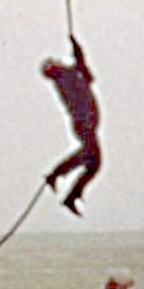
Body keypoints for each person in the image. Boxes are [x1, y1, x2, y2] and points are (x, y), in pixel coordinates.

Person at [42, 32, 101, 214]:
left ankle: (69, 192)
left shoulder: (69, 75)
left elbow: (86, 72)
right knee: (93, 159)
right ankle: (58, 176)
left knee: (92, 161)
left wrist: (76, 47)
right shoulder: (65, 78)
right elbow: (83, 69)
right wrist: (76, 48)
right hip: (84, 123)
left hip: (86, 123)